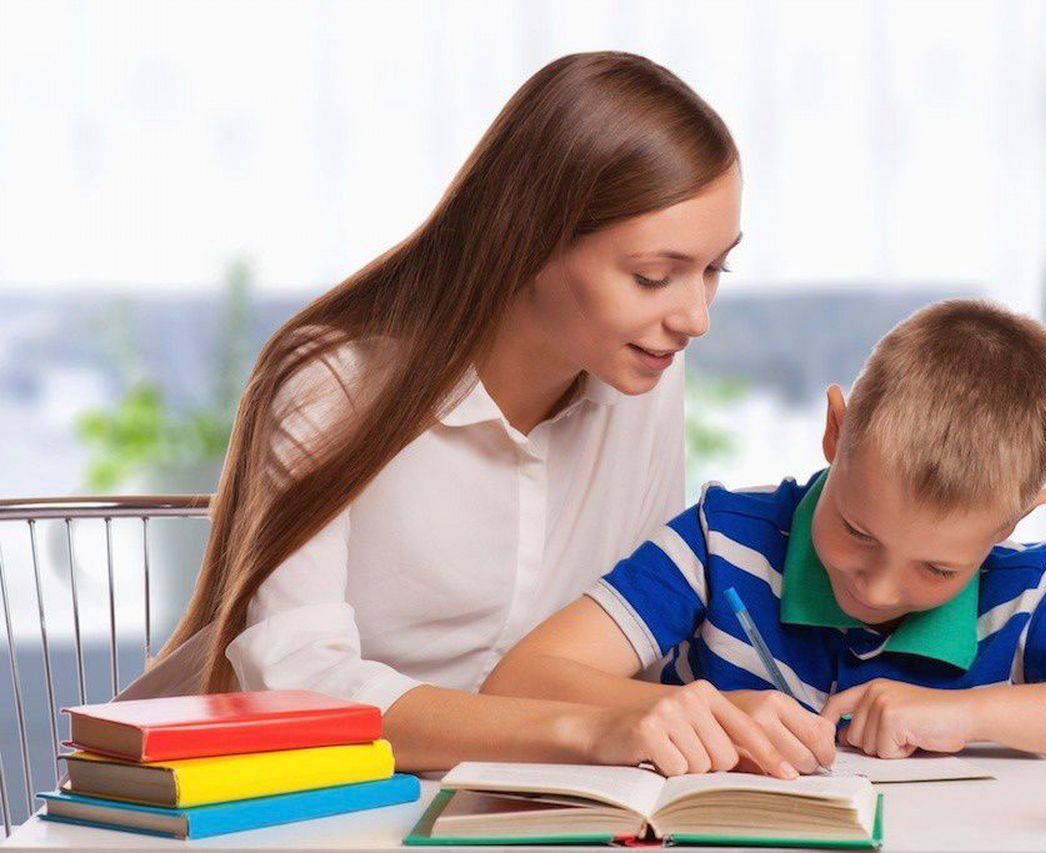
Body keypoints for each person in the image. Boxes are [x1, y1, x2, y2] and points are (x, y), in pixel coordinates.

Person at [130, 51, 746, 773]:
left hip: (500, 802)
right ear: (532, 237)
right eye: (653, 276)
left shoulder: (644, 377)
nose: (696, 318)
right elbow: (297, 685)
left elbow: (629, 631)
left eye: (715, 269)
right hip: (263, 796)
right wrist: (583, 729)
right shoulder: (335, 384)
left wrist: (727, 714)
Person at [484, 300, 1046, 776]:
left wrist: (972, 714)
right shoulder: (720, 542)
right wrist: (710, 712)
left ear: (1010, 525)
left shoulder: (1023, 596)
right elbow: (520, 681)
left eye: (937, 567)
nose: (879, 586)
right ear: (836, 433)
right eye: (857, 530)